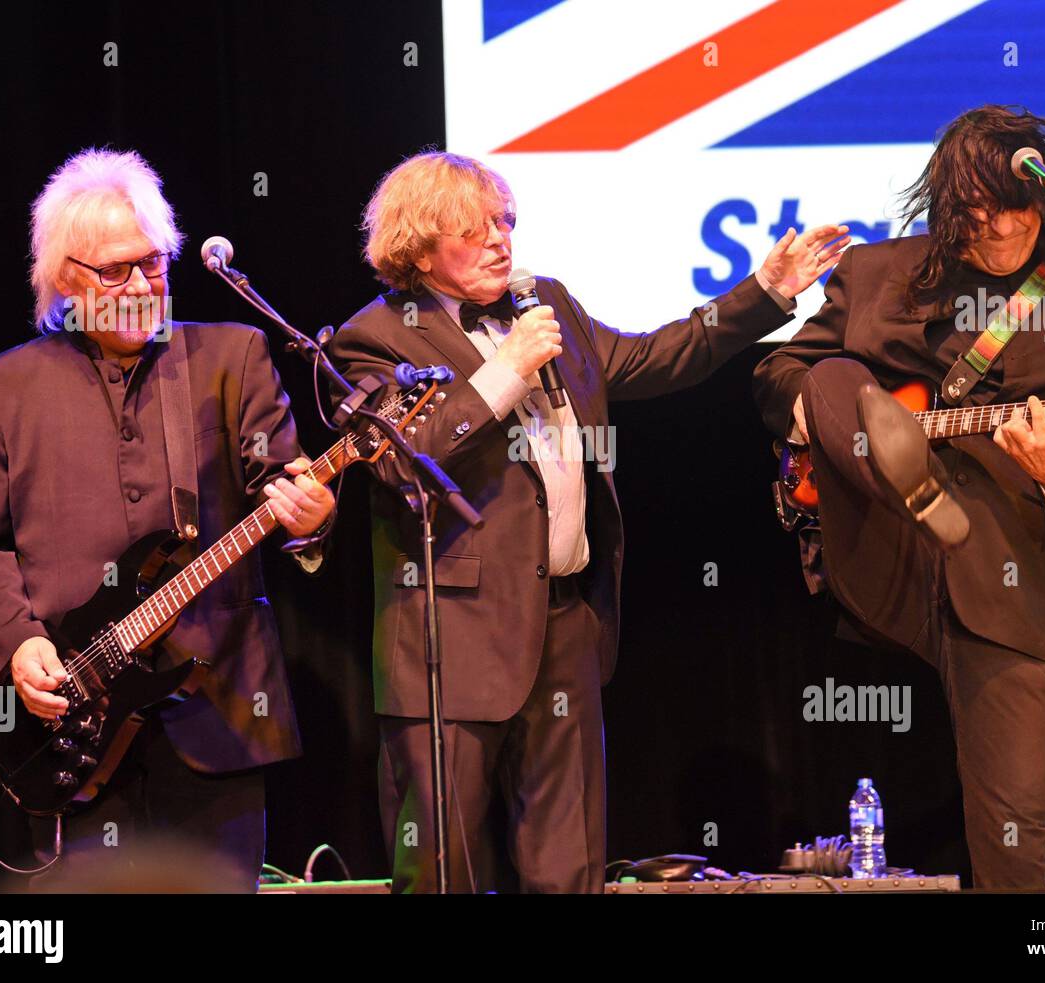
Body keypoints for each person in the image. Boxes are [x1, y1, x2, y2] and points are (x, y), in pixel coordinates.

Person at [329, 150, 847, 892]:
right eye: (475, 231)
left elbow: (658, 356)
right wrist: (505, 371)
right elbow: (402, 454)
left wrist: (762, 293)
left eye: (506, 222)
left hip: (565, 620)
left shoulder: (549, 303)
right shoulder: (374, 337)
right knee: (443, 867)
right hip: (450, 637)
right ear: (418, 243)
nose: (502, 240)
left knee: (569, 863)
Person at [752, 106, 1045, 888]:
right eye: (976, 213)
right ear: (946, 209)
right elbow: (777, 376)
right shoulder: (878, 274)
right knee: (836, 378)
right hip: (885, 545)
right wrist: (832, 428)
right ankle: (901, 466)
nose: (1001, 228)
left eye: (1015, 206)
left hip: (1011, 578)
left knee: (1011, 850)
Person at [0, 148, 335, 891]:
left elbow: (283, 488)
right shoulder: (0, 390)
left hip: (220, 716)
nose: (140, 286)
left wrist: (312, 515)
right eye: (114, 270)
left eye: (151, 264)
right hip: (75, 731)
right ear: (66, 278)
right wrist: (20, 645)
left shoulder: (232, 355)